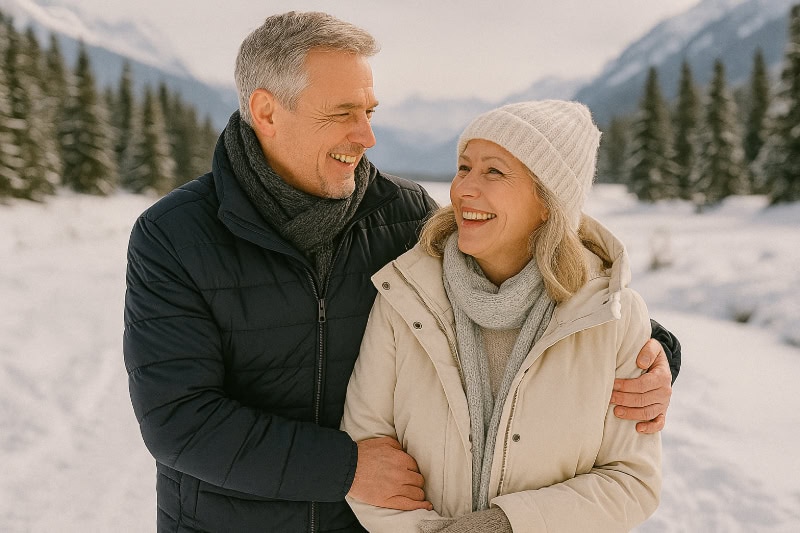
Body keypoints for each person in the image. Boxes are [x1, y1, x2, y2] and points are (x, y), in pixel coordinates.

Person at [123, 11, 679, 533]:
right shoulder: (173, 236)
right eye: (342, 113)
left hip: (366, 525)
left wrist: (650, 350)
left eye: (369, 112)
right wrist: (346, 468)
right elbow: (181, 421)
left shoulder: (405, 215)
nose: (366, 137)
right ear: (267, 112)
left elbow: (519, 262)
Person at [341, 100, 662, 532]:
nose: (463, 189)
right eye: (463, 167)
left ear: (549, 202)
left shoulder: (612, 317)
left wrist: (504, 526)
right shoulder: (404, 295)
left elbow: (631, 481)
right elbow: (366, 451)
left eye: (493, 171)